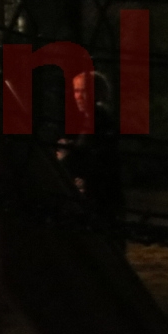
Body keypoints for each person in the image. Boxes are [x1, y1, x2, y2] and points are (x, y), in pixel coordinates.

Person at [59, 70, 125, 228]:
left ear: (98, 93)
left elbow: (87, 157)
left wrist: (66, 154)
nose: (79, 96)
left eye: (84, 91)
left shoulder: (99, 119)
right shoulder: (90, 119)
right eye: (76, 91)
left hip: (100, 195)